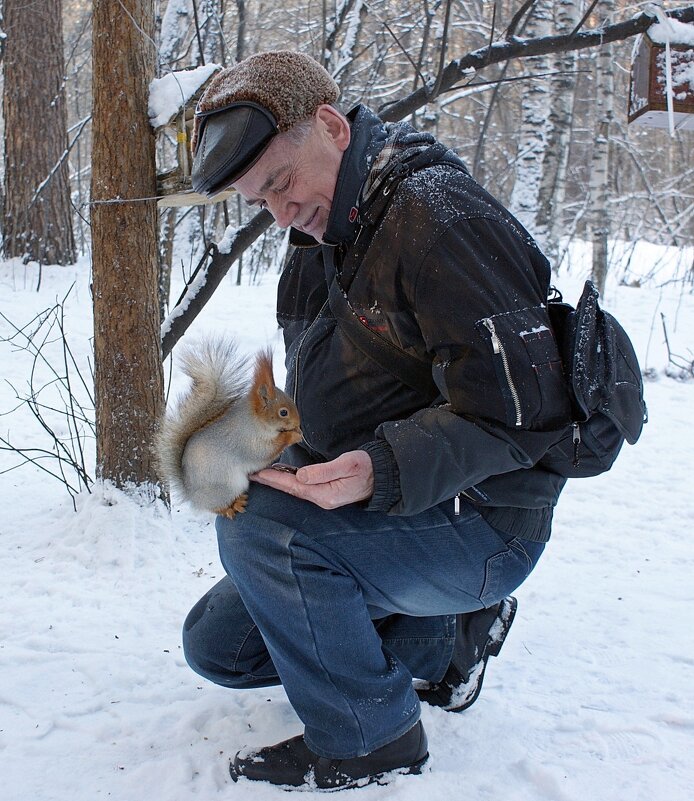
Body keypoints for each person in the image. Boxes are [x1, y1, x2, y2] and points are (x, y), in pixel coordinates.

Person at [183, 50, 569, 790]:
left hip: (487, 521)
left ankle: (371, 737)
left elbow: (528, 414)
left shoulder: (441, 221)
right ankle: (444, 639)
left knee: (262, 532)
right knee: (219, 646)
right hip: (395, 505)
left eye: (281, 182)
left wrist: (378, 468)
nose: (280, 213)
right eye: (260, 200)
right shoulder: (326, 230)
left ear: (331, 126)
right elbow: (346, 386)